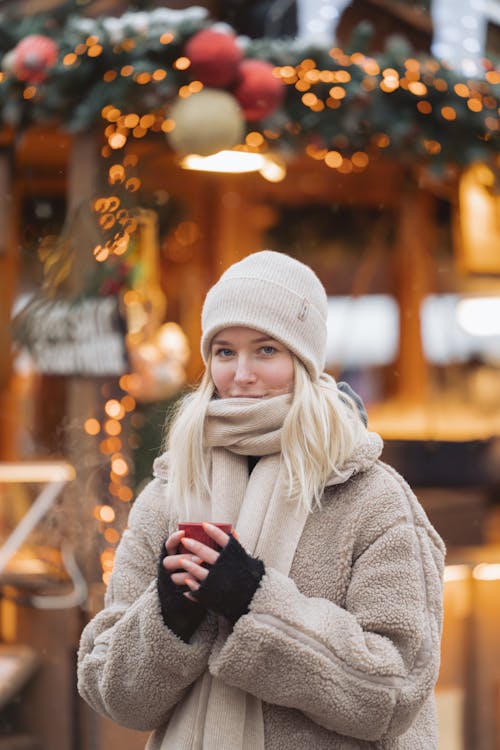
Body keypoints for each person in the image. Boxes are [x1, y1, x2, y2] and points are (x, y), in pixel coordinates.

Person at [78, 250, 445, 750]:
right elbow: (113, 696)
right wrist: (168, 613)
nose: (241, 374)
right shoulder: (169, 492)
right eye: (225, 352)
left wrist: (255, 604)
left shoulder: (371, 497)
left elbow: (396, 691)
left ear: (303, 359)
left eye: (266, 350)